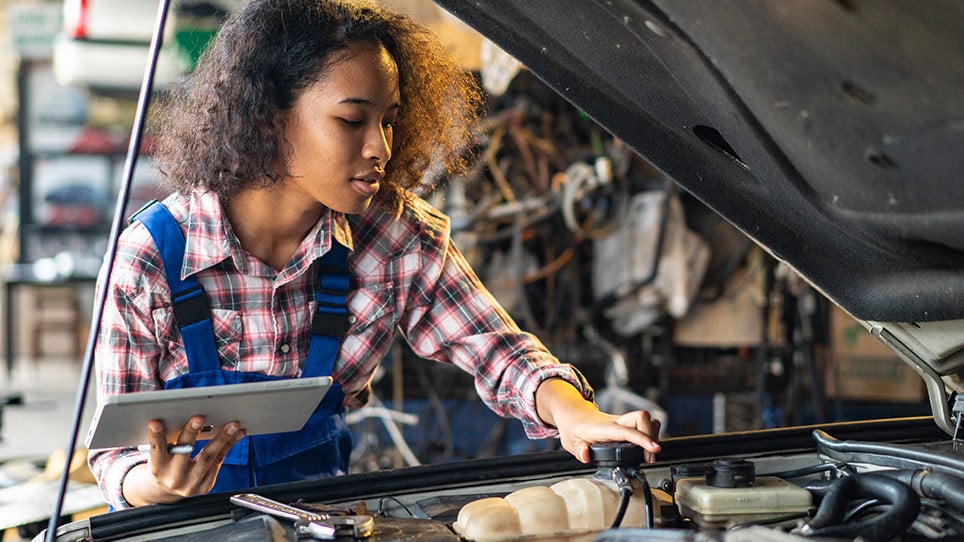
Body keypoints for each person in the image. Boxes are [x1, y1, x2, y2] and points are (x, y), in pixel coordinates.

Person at [89, 0, 661, 511]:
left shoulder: (394, 237)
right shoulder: (150, 260)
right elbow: (113, 459)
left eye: (388, 121)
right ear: (268, 116)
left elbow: (499, 352)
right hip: (181, 527)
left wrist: (572, 412)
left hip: (323, 517)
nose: (380, 148)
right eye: (351, 119)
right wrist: (157, 486)